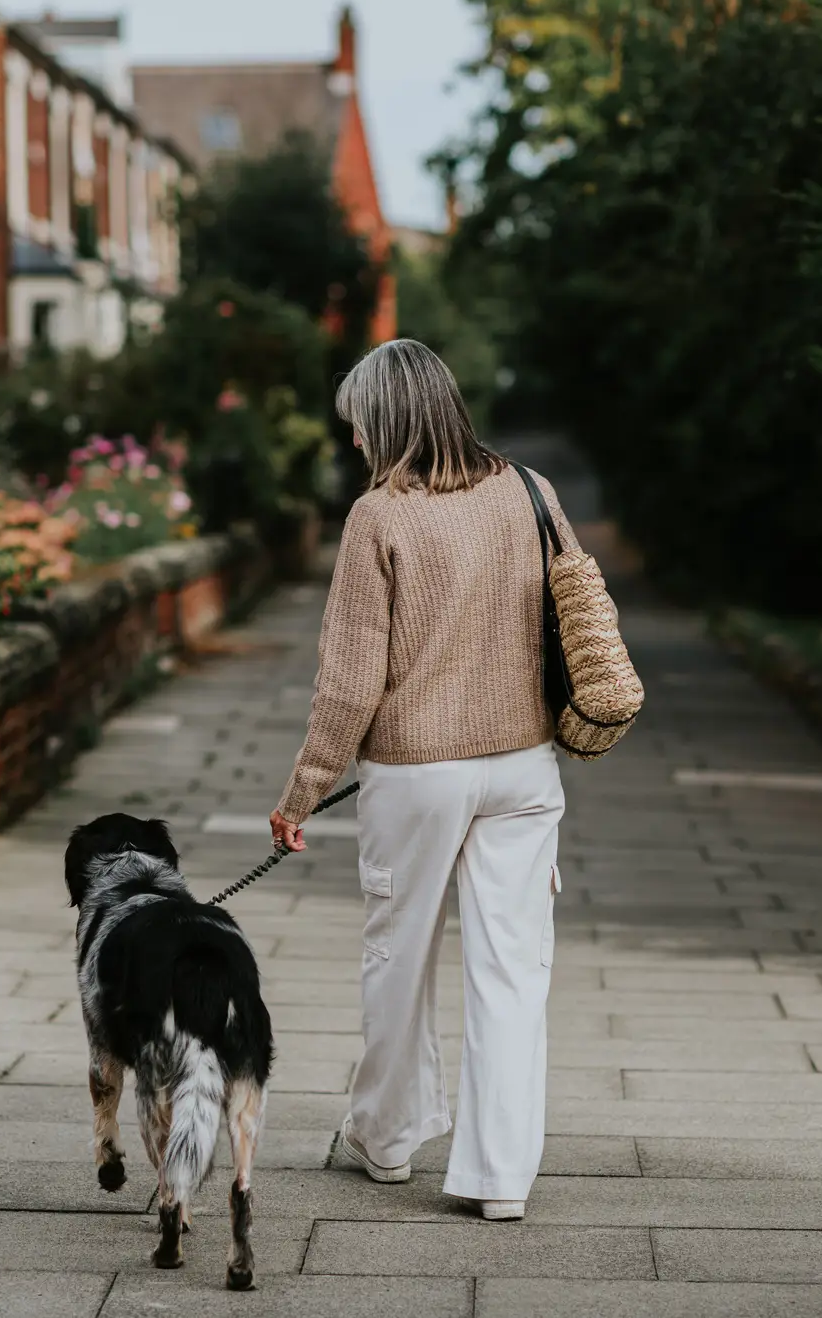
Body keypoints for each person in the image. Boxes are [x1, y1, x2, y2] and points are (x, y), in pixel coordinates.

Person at [268, 337, 575, 1222]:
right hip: (524, 767)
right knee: (513, 970)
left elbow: (349, 681)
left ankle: (389, 1139)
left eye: (359, 427)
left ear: (387, 421)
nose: (355, 445)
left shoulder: (381, 516)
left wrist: (301, 795)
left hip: (417, 773)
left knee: (397, 958)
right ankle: (498, 1179)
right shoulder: (529, 492)